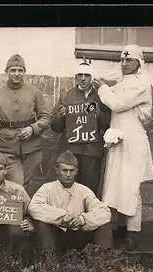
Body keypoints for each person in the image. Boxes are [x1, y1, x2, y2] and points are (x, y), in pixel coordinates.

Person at [92, 44, 153, 250]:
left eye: (129, 60)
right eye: (122, 60)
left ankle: (133, 232)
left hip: (133, 143)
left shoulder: (143, 84)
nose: (125, 63)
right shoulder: (124, 81)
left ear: (139, 63)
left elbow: (117, 104)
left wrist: (101, 87)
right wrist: (107, 86)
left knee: (131, 186)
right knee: (115, 183)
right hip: (117, 138)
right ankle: (120, 226)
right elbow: (116, 94)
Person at [0, 54, 51, 192]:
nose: (17, 74)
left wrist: (32, 128)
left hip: (32, 148)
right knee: (18, 183)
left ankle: (22, 211)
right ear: (6, 72)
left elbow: (45, 117)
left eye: (20, 70)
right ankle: (15, 210)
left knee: (27, 185)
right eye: (13, 70)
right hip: (8, 147)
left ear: (24, 72)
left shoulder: (34, 92)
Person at [28, 151, 112, 256]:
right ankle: (49, 260)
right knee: (42, 224)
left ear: (76, 171)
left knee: (104, 224)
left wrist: (83, 219)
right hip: (56, 235)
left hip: (77, 234)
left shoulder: (83, 190)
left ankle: (104, 260)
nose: (68, 174)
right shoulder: (47, 188)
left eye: (72, 171)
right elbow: (34, 207)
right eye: (64, 170)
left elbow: (104, 212)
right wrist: (61, 217)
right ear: (57, 170)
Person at [50, 58, 111, 195]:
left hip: (92, 150)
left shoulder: (100, 96)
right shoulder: (67, 96)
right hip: (71, 150)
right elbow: (55, 127)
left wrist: (99, 115)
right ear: (75, 77)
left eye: (87, 75)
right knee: (67, 186)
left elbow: (108, 124)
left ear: (92, 77)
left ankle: (87, 215)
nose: (83, 79)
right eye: (80, 75)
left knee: (90, 187)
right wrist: (61, 116)